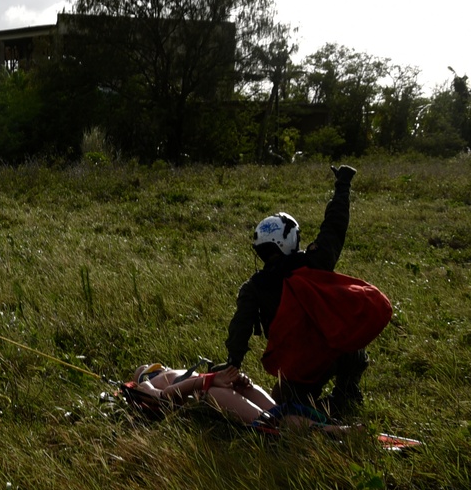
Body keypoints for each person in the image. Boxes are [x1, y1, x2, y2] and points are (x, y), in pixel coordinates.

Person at [218, 165, 365, 416]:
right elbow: (334, 227)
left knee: (283, 401)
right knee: (351, 341)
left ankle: (317, 402)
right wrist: (342, 185)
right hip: (333, 353)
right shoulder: (315, 263)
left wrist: (233, 363)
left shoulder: (254, 288)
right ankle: (345, 394)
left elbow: (240, 328)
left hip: (297, 367)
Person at [127, 363, 347, 433]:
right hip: (206, 393)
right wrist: (202, 381)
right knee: (270, 419)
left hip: (212, 386)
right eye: (150, 368)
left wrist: (233, 378)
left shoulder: (181, 370)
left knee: (279, 410)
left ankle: (319, 426)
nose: (158, 368)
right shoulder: (146, 384)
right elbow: (163, 399)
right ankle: (325, 431)